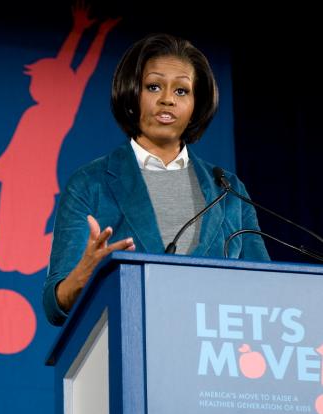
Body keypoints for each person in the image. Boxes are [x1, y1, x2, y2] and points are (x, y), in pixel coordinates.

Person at [43, 33, 269, 326]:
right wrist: (82, 276)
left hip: (217, 354)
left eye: (181, 91)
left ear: (196, 105)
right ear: (132, 93)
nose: (166, 100)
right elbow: (54, 304)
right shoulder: (91, 183)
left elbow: (265, 287)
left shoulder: (228, 189)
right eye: (153, 86)